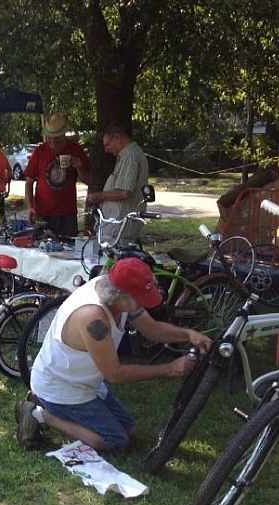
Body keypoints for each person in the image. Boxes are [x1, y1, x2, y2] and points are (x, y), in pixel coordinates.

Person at [16, 257, 212, 452]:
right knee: (115, 440)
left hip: (84, 381)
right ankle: (38, 413)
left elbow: (151, 329)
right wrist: (169, 369)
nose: (145, 304)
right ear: (122, 295)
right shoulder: (93, 317)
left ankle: (45, 405)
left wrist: (189, 335)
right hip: (61, 386)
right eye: (141, 299)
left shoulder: (117, 296)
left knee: (131, 431)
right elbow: (114, 374)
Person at [25, 113, 92, 240]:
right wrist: (30, 207)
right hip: (42, 213)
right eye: (50, 138)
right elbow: (29, 181)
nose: (52, 142)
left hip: (66, 214)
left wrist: (79, 166)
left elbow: (88, 180)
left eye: (56, 138)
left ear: (64, 134)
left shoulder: (75, 150)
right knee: (41, 251)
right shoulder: (40, 151)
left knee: (67, 252)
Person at [84, 123, 150, 241]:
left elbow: (124, 192)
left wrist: (98, 196)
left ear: (117, 138)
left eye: (107, 144)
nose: (106, 150)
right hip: (119, 227)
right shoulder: (129, 155)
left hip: (120, 228)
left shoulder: (129, 157)